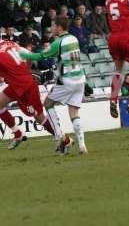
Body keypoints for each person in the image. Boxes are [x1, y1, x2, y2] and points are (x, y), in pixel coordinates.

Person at [20, 16, 87, 154]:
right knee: (74, 112)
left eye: (53, 26)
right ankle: (82, 146)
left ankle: (58, 136)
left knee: (48, 103)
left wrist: (21, 53)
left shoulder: (58, 43)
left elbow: (38, 57)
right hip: (80, 79)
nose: (51, 28)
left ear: (59, 27)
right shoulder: (73, 38)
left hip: (67, 80)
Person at [0, 40, 62, 150]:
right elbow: (28, 54)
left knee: (39, 117)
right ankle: (18, 134)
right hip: (16, 84)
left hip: (26, 86)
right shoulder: (9, 43)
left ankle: (63, 139)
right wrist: (26, 70)